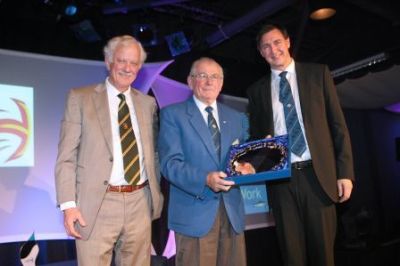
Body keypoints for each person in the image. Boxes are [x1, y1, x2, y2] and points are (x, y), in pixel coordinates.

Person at [247, 24, 355, 266]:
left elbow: (338, 125)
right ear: (261, 53)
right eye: (266, 46)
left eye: (276, 42)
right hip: (280, 183)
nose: (273, 49)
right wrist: (260, 144)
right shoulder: (256, 91)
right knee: (291, 256)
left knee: (323, 255)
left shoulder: (318, 74)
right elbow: (255, 137)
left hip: (318, 178)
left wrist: (345, 173)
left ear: (287, 42)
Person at [55, 35, 163, 266]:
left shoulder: (148, 104)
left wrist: (155, 195)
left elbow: (153, 154)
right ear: (108, 61)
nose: (127, 68)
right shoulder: (80, 98)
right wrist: (68, 206)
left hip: (140, 203)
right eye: (122, 61)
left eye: (134, 63)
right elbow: (66, 157)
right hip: (96, 205)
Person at [158, 57, 248, 266]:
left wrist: (248, 166)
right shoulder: (173, 114)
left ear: (222, 83)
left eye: (215, 76)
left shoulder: (236, 117)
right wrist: (205, 179)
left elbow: (241, 159)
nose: (209, 82)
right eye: (202, 76)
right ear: (190, 81)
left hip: (232, 214)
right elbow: (170, 164)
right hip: (193, 216)